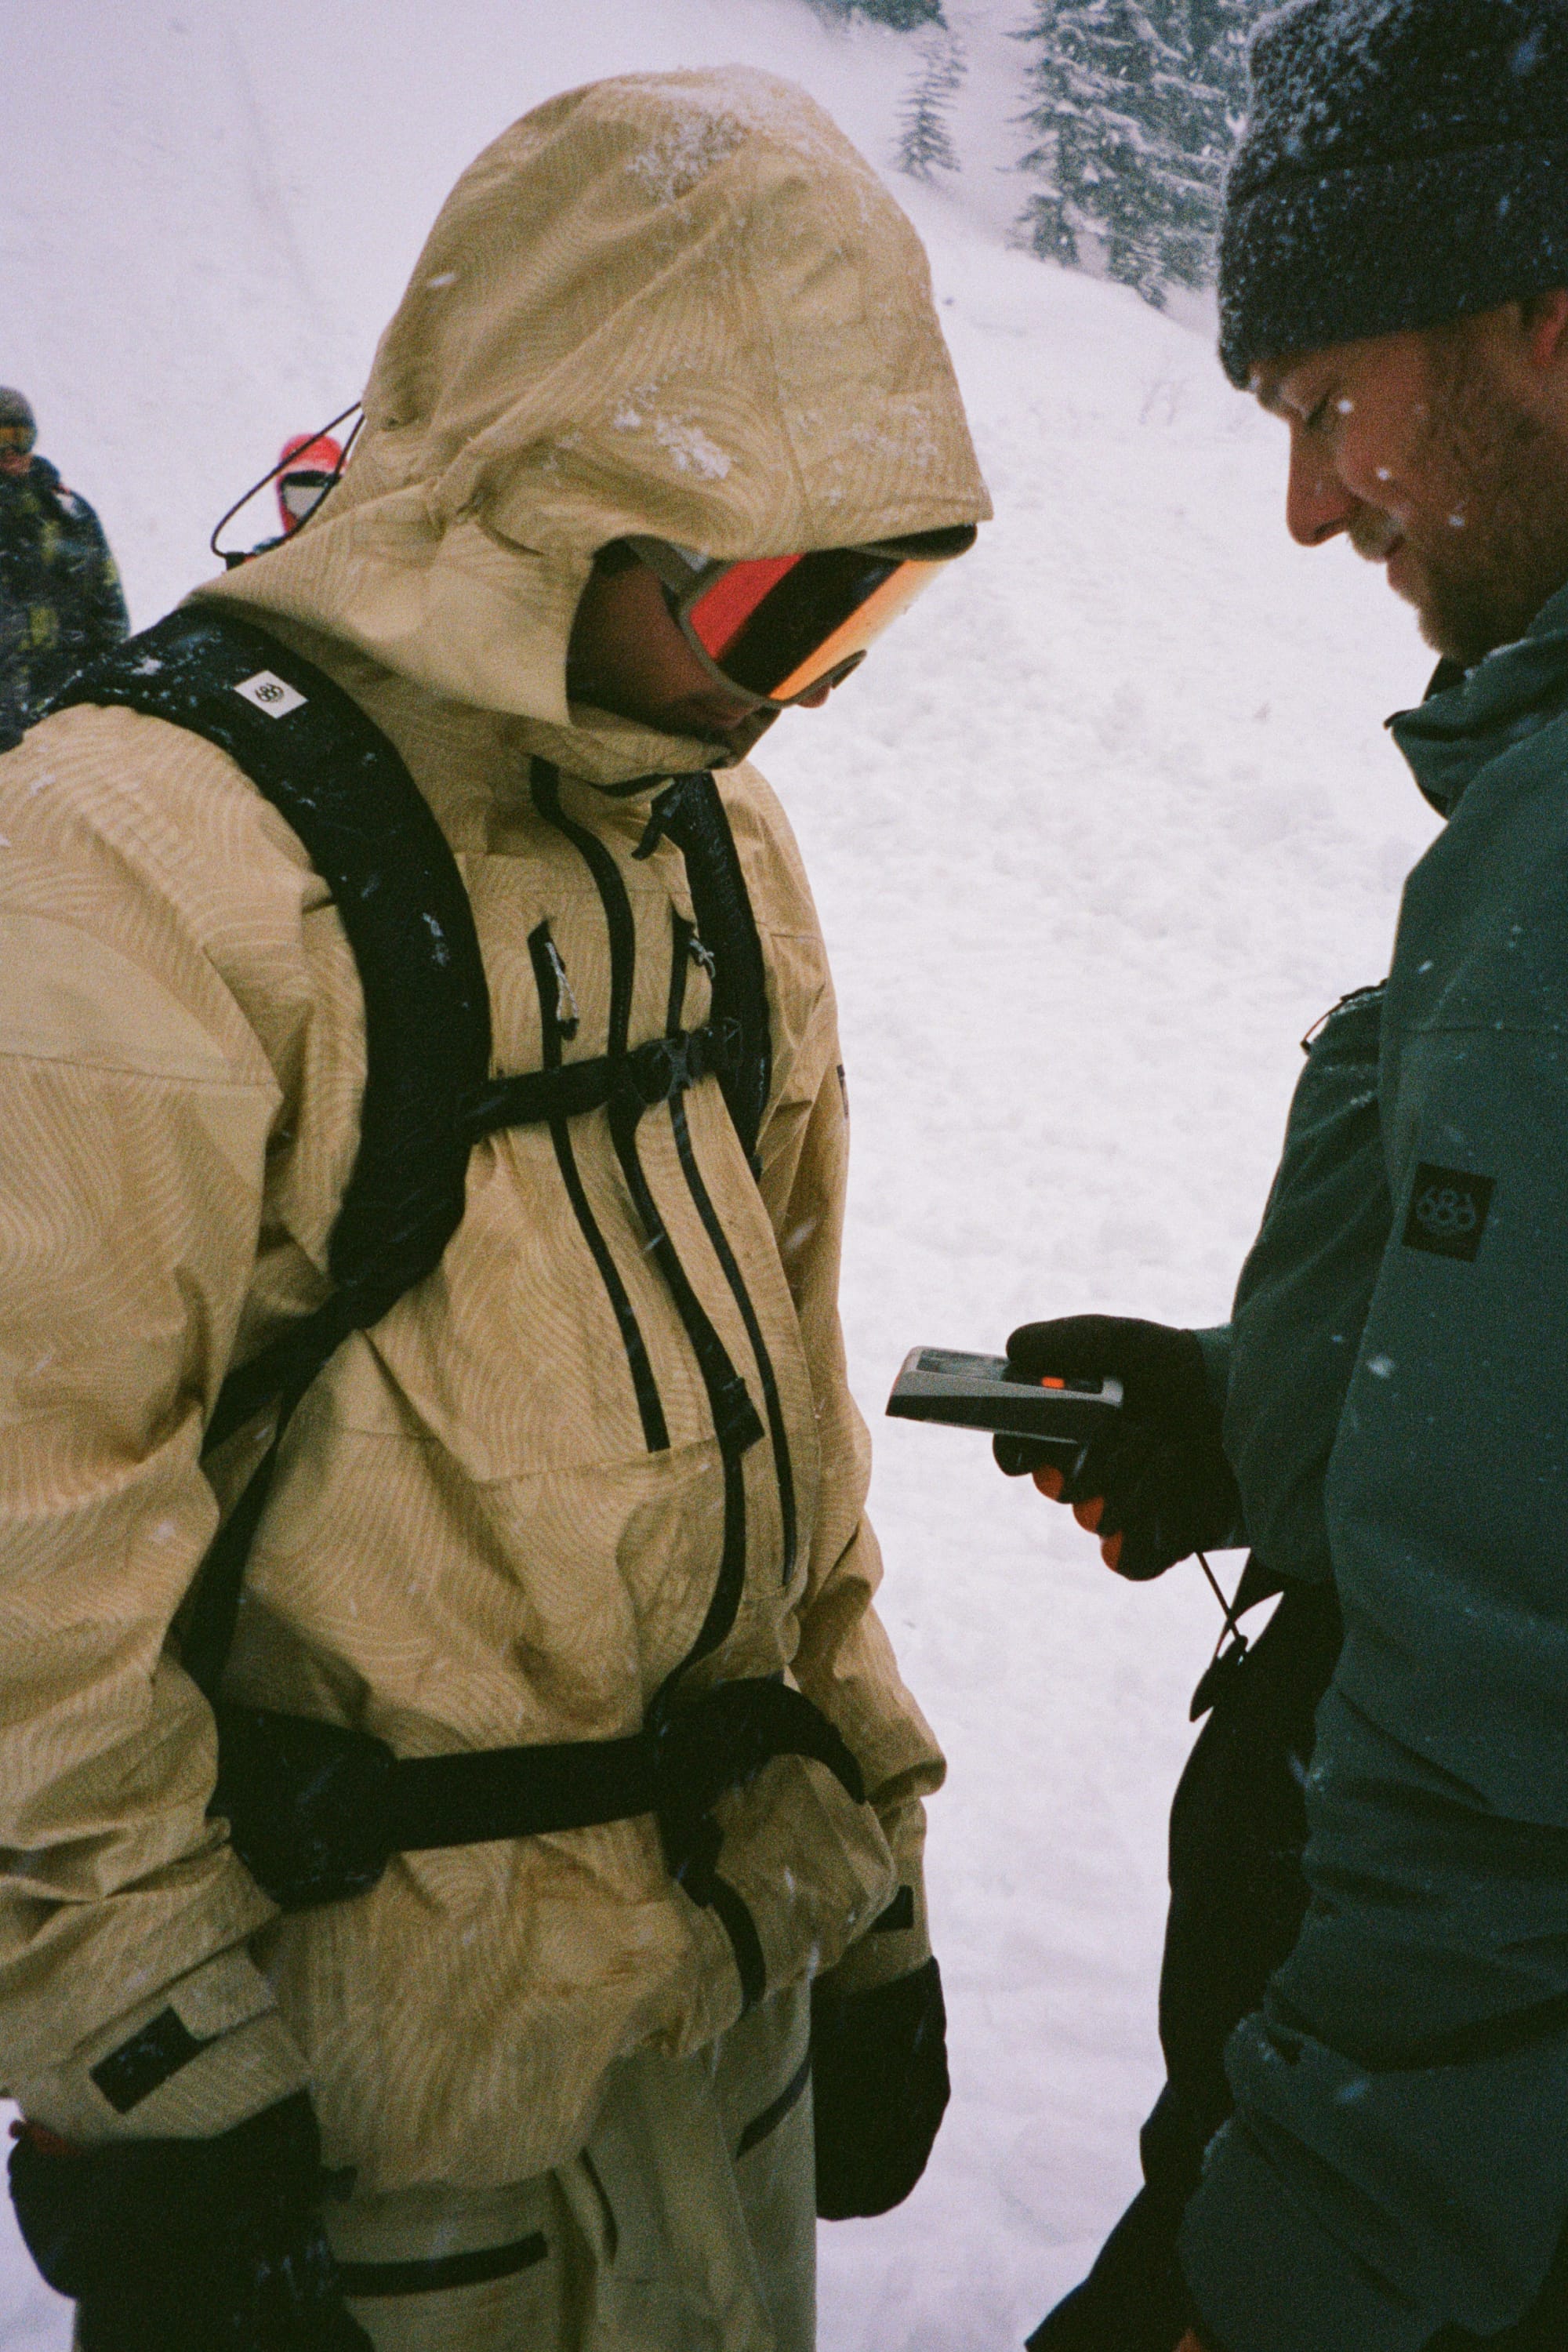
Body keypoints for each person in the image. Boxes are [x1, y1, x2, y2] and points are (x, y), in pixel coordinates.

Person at [0, 70, 989, 2352]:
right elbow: (33, 1539)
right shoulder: (145, 868)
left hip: (710, 2081)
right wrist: (156, 2074)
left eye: (865, 613)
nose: (792, 694)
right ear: (555, 497)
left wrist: (875, 1880)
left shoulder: (720, 857)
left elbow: (794, 1431)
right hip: (362, 2154)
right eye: (768, 600)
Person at [1011, 4, 1568, 2348]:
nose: (1308, 506)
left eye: (1328, 403)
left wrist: (1294, 2267)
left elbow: (1516, 1725)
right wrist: (1267, 1414)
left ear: (1548, 326)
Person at [0, 385, 128, 749]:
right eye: (0, 438)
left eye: (20, 437)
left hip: (65, 721)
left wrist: (108, 699)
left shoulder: (69, 516)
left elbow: (109, 618)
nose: (10, 451)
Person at [274, 432, 343, 539]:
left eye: (326, 503)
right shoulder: (274, 555)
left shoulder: (371, 548)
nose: (314, 517)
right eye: (302, 501)